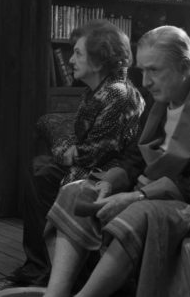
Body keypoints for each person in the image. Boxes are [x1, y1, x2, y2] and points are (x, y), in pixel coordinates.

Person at [43, 25, 190, 297]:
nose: (145, 81)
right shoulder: (161, 97)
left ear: (185, 67)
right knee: (76, 192)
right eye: (142, 70)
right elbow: (135, 157)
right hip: (161, 188)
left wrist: (137, 196)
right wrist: (110, 182)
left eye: (154, 70)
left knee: (140, 212)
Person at [9, 20, 146, 286]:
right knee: (39, 169)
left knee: (43, 174)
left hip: (110, 174)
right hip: (94, 164)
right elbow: (76, 139)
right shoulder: (95, 92)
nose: (71, 60)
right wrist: (66, 149)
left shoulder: (117, 94)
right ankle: (42, 265)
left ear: (99, 59)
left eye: (78, 53)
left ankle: (47, 269)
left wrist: (65, 151)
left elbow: (90, 154)